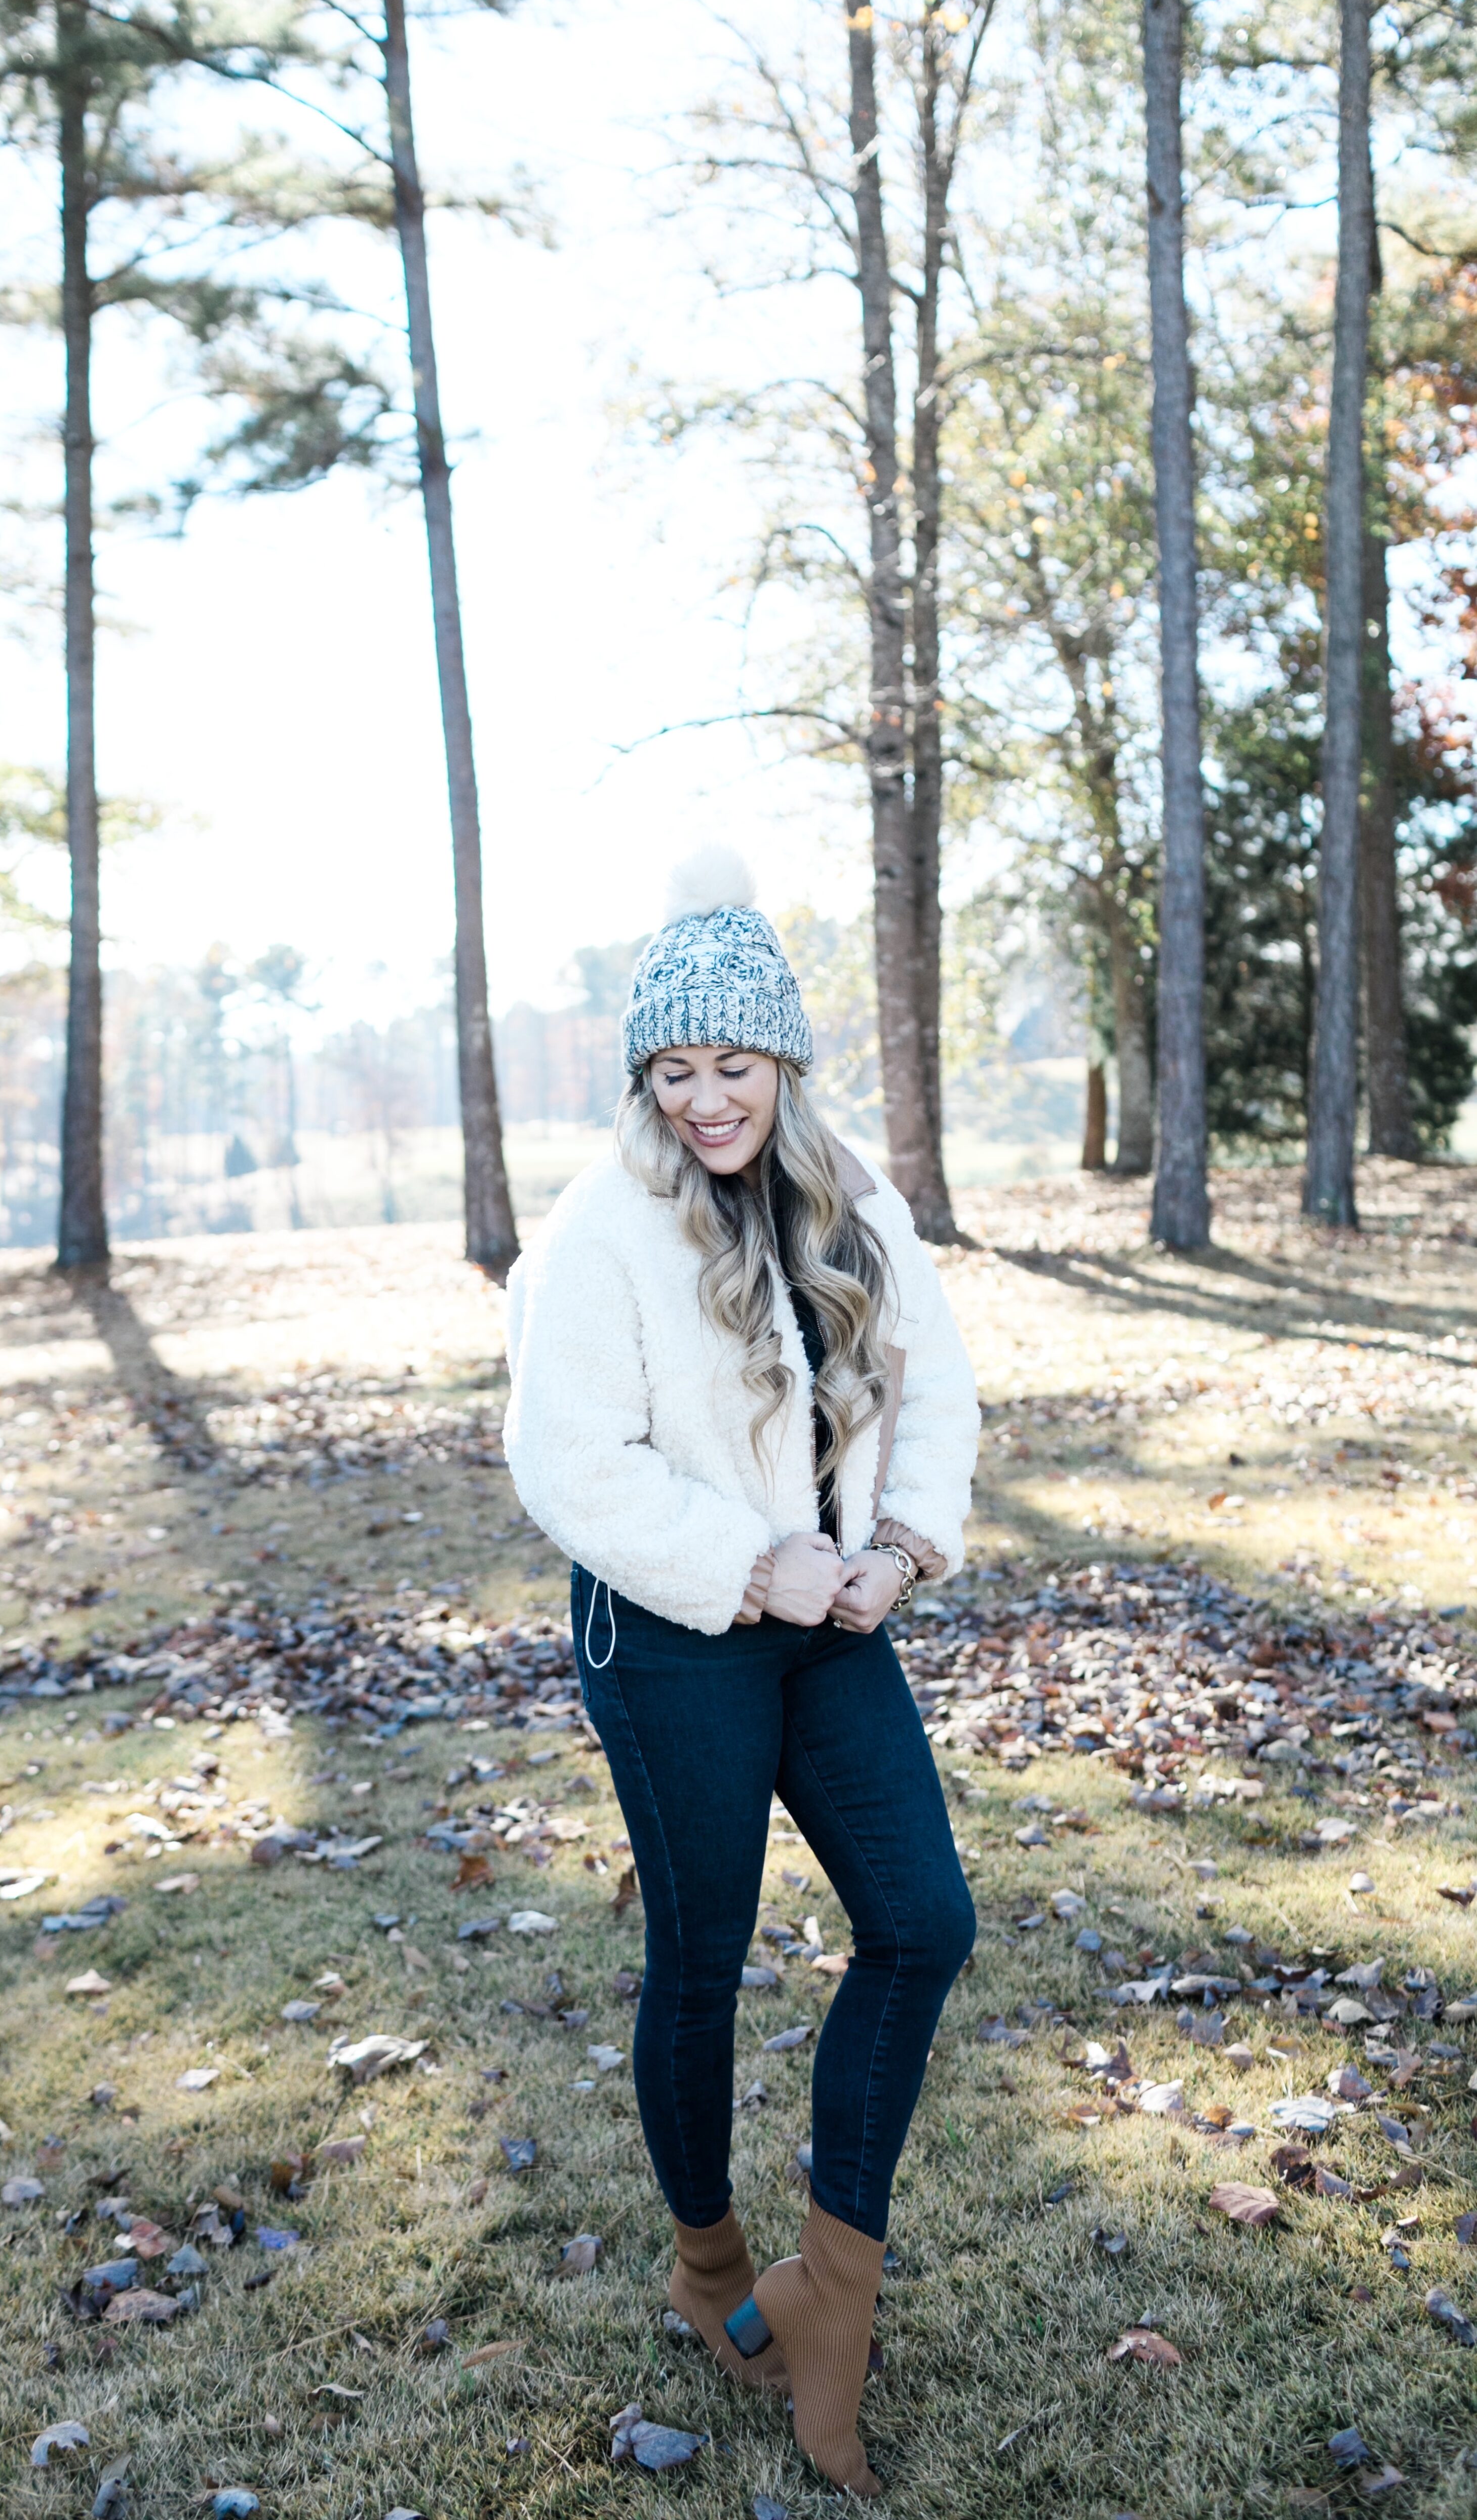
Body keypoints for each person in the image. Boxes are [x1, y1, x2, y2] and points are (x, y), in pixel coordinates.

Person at [502, 848, 979, 2498]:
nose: (710, 1101)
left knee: (924, 1924)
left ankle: (825, 2302)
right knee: (702, 1959)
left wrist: (903, 1549)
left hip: (837, 1624)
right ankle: (713, 2268)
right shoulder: (601, 1227)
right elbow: (569, 1460)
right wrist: (750, 1560)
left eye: (737, 1065)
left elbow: (937, 1386)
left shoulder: (856, 1197)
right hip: (673, 1631)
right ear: (647, 1074)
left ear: (785, 1059)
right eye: (677, 1069)